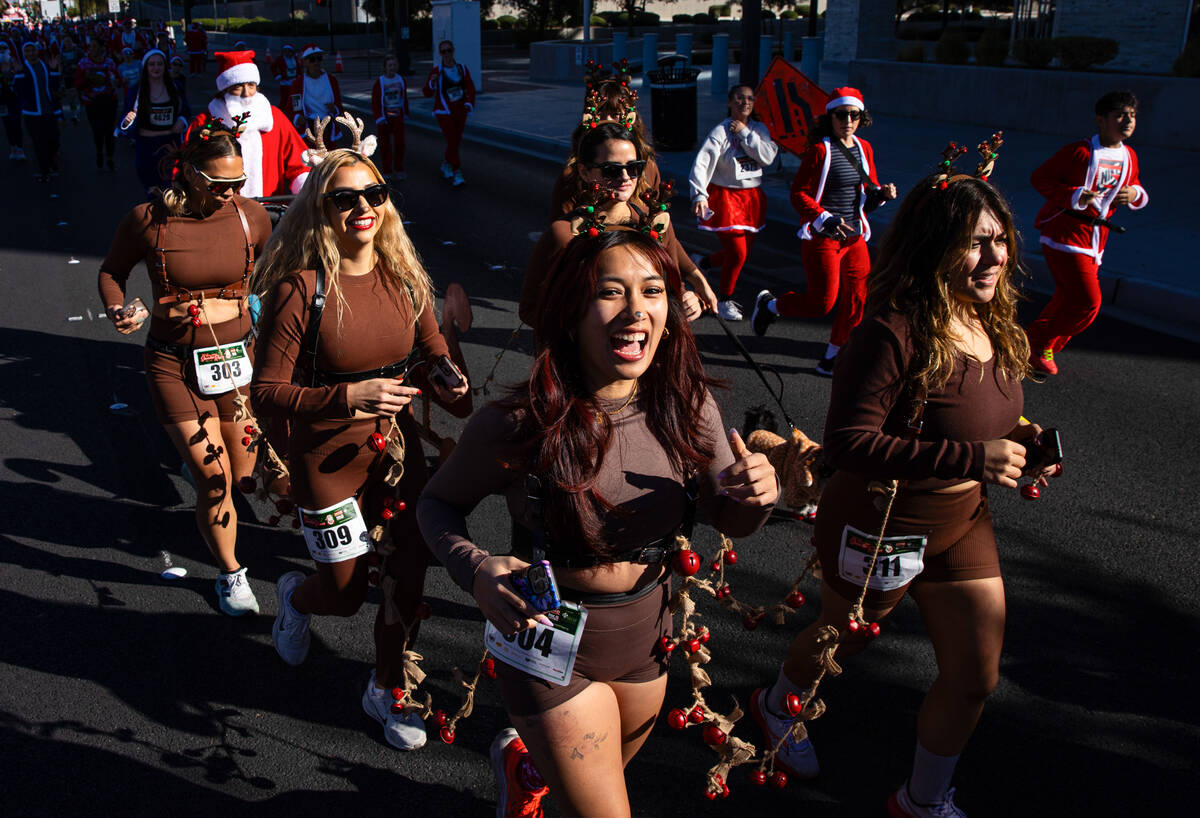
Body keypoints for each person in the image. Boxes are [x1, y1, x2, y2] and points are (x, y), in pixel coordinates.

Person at [418, 228, 777, 817]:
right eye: (611, 292)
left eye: (653, 290)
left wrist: (760, 496)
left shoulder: (689, 407)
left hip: (645, 640)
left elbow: (733, 520)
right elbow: (436, 504)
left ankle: (525, 768)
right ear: (572, 310)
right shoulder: (515, 424)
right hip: (549, 640)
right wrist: (476, 570)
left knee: (590, 781)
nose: (636, 311)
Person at [751, 172, 1059, 817]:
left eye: (1001, 241)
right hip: (880, 520)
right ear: (935, 245)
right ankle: (779, 703)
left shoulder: (992, 321)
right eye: (977, 243)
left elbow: (983, 414)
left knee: (975, 676)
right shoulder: (890, 333)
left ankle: (922, 801)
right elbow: (847, 445)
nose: (996, 258)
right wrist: (976, 455)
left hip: (962, 518)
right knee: (846, 637)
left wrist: (1026, 440)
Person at [250, 135, 469, 750]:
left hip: (397, 455)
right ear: (322, 209)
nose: (363, 208)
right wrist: (348, 397)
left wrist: (449, 374)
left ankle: (386, 686)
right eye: (345, 199)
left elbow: (432, 355)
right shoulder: (301, 289)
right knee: (344, 595)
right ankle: (297, 594)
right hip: (326, 457)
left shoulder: (403, 277)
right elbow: (265, 392)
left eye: (374, 194)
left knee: (408, 575)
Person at [98, 121, 273, 617]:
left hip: (238, 365)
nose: (232, 194)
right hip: (174, 364)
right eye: (221, 186)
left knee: (242, 478)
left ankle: (197, 463)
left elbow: (273, 269)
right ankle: (231, 573)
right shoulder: (148, 221)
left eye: (240, 184)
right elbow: (112, 271)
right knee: (214, 479)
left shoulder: (251, 217)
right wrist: (119, 309)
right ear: (192, 175)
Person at [751, 87, 897, 376]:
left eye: (854, 115)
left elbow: (866, 197)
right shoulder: (820, 150)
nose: (848, 120)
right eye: (841, 114)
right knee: (822, 303)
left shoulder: (864, 149)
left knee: (857, 299)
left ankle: (833, 356)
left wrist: (882, 195)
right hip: (823, 238)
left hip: (854, 237)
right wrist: (826, 219)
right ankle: (771, 305)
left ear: (861, 117)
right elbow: (799, 194)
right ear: (830, 117)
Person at [522, 122, 718, 328]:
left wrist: (692, 301)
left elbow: (674, 292)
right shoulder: (564, 234)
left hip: (649, 353)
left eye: (634, 168)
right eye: (611, 170)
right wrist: (591, 329)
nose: (625, 177)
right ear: (585, 172)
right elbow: (530, 308)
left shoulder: (656, 225)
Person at [1024, 90, 1149, 376]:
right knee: (1088, 303)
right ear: (1100, 119)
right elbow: (1040, 178)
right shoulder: (1078, 152)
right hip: (1064, 236)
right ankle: (1039, 341)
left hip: (1096, 241)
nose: (1127, 120)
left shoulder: (1129, 156)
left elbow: (1135, 186)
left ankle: (1033, 346)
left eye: (1132, 115)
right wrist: (1075, 194)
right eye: (1120, 115)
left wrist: (1134, 193)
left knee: (1068, 298)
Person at [689, 84, 779, 321]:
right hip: (726, 197)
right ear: (730, 102)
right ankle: (725, 299)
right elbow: (703, 161)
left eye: (749, 98)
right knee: (737, 252)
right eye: (739, 98)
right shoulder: (720, 131)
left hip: (751, 198)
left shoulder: (758, 129)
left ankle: (704, 262)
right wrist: (699, 194)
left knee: (740, 252)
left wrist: (745, 133)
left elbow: (768, 156)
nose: (745, 103)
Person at [187, 50, 310, 198]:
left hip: (269, 207)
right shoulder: (205, 122)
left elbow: (299, 161)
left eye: (251, 85)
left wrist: (305, 188)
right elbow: (187, 167)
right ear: (225, 88)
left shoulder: (274, 117)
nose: (246, 93)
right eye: (238, 86)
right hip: (220, 210)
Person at [120, 49, 190, 196]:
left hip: (170, 143)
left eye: (160, 64)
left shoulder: (175, 87)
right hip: (146, 145)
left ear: (165, 66)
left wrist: (182, 121)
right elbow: (125, 118)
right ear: (146, 67)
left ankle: (170, 216)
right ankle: (155, 214)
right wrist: (128, 121)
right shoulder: (136, 91)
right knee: (151, 188)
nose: (156, 68)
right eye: (152, 64)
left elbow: (185, 110)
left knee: (171, 187)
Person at [423, 39, 474, 187]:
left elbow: (470, 87)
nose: (446, 54)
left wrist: (469, 104)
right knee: (452, 140)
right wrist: (432, 82)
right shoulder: (437, 71)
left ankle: (446, 163)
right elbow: (426, 92)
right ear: (440, 53)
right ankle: (457, 171)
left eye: (449, 50)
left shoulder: (462, 69)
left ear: (453, 51)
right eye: (443, 51)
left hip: (460, 111)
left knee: (455, 141)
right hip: (444, 112)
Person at [12, 41, 61, 182]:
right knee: (39, 142)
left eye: (32, 50)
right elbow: (19, 91)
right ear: (24, 54)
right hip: (32, 113)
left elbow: (54, 87)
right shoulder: (22, 68)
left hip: (49, 111)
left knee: (54, 140)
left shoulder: (45, 66)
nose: (30, 53)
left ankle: (51, 160)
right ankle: (44, 171)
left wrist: (54, 70)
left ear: (37, 51)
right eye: (27, 51)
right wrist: (19, 73)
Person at [75, 37, 119, 170]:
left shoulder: (110, 63)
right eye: (90, 47)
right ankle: (99, 151)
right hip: (92, 102)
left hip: (109, 100)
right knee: (97, 130)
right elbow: (78, 84)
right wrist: (87, 79)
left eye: (95, 46)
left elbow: (118, 80)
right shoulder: (84, 63)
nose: (92, 49)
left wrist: (116, 80)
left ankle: (110, 158)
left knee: (109, 130)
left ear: (101, 48)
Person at [286, 44, 343, 143]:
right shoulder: (298, 83)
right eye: (312, 59)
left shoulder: (331, 80)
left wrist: (335, 109)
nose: (316, 62)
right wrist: (297, 117)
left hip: (328, 131)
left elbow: (339, 105)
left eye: (319, 58)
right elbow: (292, 107)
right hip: (309, 131)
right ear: (304, 62)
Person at [371, 54, 408, 182]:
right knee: (385, 145)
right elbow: (375, 101)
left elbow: (404, 97)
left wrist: (405, 113)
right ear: (385, 67)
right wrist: (379, 117)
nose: (392, 68)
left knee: (399, 144)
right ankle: (386, 169)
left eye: (394, 65)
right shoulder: (380, 82)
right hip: (385, 117)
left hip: (397, 116)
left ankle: (398, 168)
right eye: (389, 65)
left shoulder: (400, 80)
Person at [0, 41, 27, 161]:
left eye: (3, 48)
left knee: (16, 124)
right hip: (2, 101)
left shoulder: (14, 63)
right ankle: (13, 148)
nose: (1, 51)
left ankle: (20, 148)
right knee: (7, 125)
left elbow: (21, 80)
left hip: (14, 99)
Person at [270, 44, 299, 108]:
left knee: (295, 96)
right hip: (285, 81)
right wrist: (278, 75)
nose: (287, 53)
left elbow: (299, 68)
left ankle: (296, 109)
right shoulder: (280, 59)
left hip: (294, 80)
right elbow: (273, 67)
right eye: (286, 51)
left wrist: (299, 76)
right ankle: (283, 110)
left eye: (289, 51)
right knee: (285, 97)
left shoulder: (295, 58)